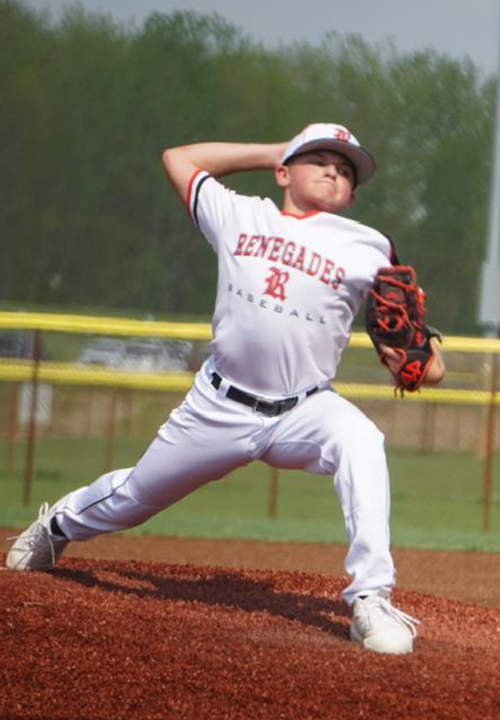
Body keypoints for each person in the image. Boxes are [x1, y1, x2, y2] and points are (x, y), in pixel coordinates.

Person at [6, 123, 445, 654]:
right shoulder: (240, 213)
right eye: (320, 158)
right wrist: (271, 152)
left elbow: (421, 353)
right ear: (285, 170)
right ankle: (57, 525)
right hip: (220, 405)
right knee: (135, 497)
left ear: (353, 192)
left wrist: (416, 366)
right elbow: (178, 159)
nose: (335, 169)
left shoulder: (370, 247)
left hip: (303, 409)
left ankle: (371, 598)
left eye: (347, 168)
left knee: (362, 441)